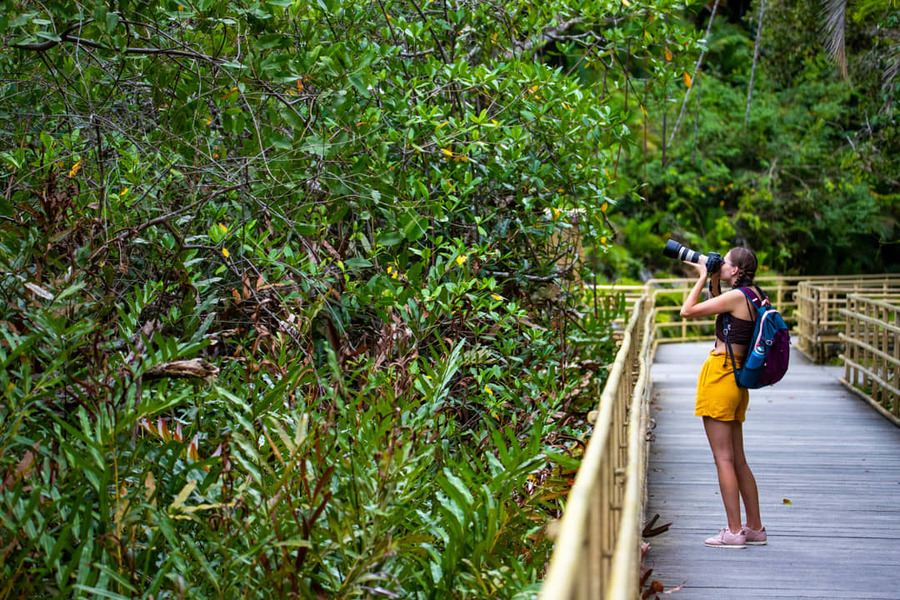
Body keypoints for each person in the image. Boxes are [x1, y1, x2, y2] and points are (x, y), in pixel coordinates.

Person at [679, 247, 768, 549]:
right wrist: (715, 282)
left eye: (725, 263)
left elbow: (687, 311)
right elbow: (723, 317)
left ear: (735, 271)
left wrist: (703, 276)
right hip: (737, 379)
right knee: (738, 459)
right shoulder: (753, 294)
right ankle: (754, 527)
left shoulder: (736, 297)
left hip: (721, 375)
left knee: (724, 460)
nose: (721, 265)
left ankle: (733, 531)